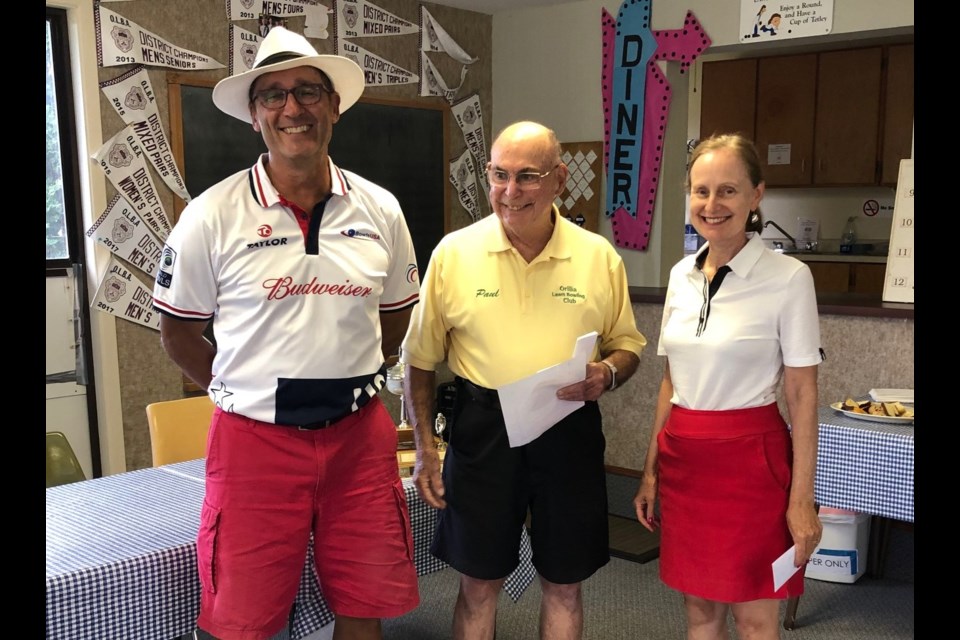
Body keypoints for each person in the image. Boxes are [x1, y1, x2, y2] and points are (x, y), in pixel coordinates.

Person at [151, 26, 420, 640]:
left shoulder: (381, 209)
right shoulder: (211, 215)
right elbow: (178, 331)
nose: (291, 108)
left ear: (334, 106)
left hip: (359, 439)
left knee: (364, 598)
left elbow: (396, 312)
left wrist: (356, 367)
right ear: (254, 115)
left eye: (307, 91)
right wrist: (241, 388)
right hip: (254, 445)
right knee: (242, 618)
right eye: (272, 96)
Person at [401, 120, 647, 640]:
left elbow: (628, 346)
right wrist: (425, 448)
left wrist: (607, 372)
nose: (511, 192)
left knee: (564, 583)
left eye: (528, 176)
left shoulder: (598, 257)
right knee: (477, 583)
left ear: (559, 179)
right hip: (482, 430)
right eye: (499, 175)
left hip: (568, 428)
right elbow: (419, 360)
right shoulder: (453, 254)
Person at [633, 134, 823, 639]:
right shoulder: (680, 275)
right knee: (700, 612)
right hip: (685, 461)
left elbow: (803, 396)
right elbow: (671, 381)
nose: (712, 205)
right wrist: (651, 471)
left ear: (757, 195)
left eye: (729, 191)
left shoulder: (788, 278)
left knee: (755, 617)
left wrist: (801, 498)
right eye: (701, 191)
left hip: (751, 465)